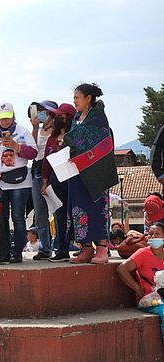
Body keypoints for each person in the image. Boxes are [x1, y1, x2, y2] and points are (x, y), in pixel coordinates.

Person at [0, 102, 38, 263]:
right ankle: (2, 251)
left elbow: (33, 152)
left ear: (13, 116)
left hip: (20, 181)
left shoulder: (23, 132)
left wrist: (17, 147)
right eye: (1, 118)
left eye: (7, 118)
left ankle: (17, 251)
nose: (4, 122)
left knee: (18, 217)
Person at [64, 83, 118, 264]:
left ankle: (102, 248)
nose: (75, 101)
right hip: (77, 172)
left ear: (88, 98)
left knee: (96, 209)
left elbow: (102, 143)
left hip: (96, 172)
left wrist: (75, 145)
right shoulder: (76, 118)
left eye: (77, 98)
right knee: (78, 208)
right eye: (74, 98)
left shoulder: (98, 118)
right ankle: (86, 247)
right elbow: (73, 140)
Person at [41, 103, 77, 262]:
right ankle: (62, 250)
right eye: (56, 116)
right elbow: (46, 162)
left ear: (68, 118)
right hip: (56, 181)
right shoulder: (52, 139)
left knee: (77, 214)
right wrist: (44, 182)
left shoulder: (76, 135)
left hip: (74, 181)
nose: (56, 119)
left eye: (60, 116)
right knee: (59, 216)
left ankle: (87, 246)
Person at [29, 101, 59, 260]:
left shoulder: (58, 131)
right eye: (38, 110)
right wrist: (34, 129)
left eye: (43, 111)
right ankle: (45, 248)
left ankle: (60, 246)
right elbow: (32, 150)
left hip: (53, 170)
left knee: (57, 210)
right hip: (37, 169)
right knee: (40, 213)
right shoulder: (38, 130)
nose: (40, 114)